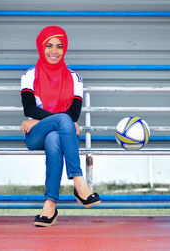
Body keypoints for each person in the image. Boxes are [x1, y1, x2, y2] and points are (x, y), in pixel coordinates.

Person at [20, 25, 101, 227]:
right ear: (41, 46)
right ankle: (79, 182)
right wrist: (51, 121)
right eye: (49, 45)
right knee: (63, 121)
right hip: (35, 135)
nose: (54, 51)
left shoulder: (75, 78)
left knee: (55, 136)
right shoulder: (30, 75)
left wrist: (42, 119)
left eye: (59, 46)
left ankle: (50, 205)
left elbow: (74, 113)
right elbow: (29, 107)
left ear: (65, 49)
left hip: (60, 137)